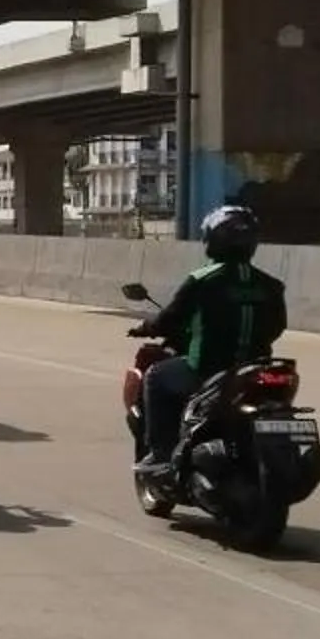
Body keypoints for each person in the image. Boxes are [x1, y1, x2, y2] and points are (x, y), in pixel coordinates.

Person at [127, 203, 286, 480]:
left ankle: (161, 451)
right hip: (255, 368)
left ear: (212, 239)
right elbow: (277, 326)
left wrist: (146, 327)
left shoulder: (203, 280)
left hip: (207, 368)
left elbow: (170, 319)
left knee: (154, 376)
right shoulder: (270, 284)